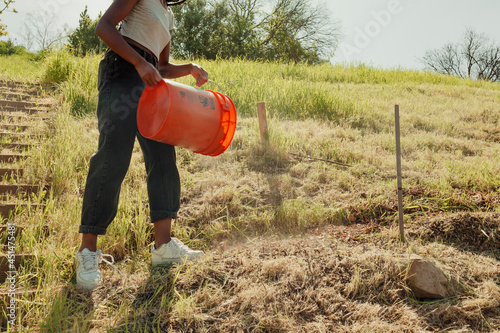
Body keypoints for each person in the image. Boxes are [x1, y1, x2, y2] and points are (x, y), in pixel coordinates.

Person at [75, 0, 208, 290]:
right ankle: (87, 253)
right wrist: (137, 61)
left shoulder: (168, 14)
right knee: (112, 157)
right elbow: (104, 27)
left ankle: (164, 247)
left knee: (163, 157)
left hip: (150, 82)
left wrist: (190, 68)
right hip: (122, 72)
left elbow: (161, 66)